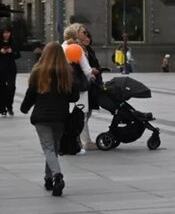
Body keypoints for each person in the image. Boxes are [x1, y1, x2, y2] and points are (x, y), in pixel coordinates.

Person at [19, 44, 81, 196]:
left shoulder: (38, 71)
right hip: (60, 117)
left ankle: (57, 176)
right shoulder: (67, 72)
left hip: (41, 117)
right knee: (52, 147)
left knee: (48, 148)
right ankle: (48, 178)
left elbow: (31, 94)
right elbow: (74, 97)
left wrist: (24, 108)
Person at [64, 24, 102, 150]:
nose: (85, 34)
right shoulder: (77, 48)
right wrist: (92, 73)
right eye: (82, 32)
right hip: (80, 85)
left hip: (66, 84)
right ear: (75, 33)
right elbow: (87, 70)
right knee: (82, 114)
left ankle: (73, 139)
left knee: (71, 113)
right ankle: (85, 141)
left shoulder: (63, 46)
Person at [0, 28, 18, 116]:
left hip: (11, 69)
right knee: (2, 89)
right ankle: (2, 108)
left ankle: (9, 105)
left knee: (11, 87)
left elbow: (18, 55)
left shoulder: (13, 43)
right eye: (4, 33)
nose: (6, 34)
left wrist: (12, 52)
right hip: (1, 69)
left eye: (8, 33)